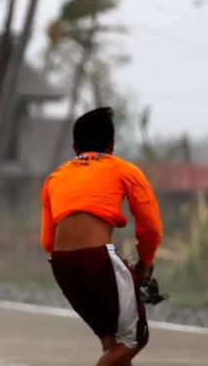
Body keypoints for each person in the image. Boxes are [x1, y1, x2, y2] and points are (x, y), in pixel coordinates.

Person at [40, 107, 164, 366]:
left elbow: (48, 242)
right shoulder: (124, 170)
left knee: (113, 343)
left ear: (75, 146)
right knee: (135, 339)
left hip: (62, 265)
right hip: (96, 260)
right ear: (112, 144)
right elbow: (151, 228)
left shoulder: (55, 177)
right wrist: (142, 265)